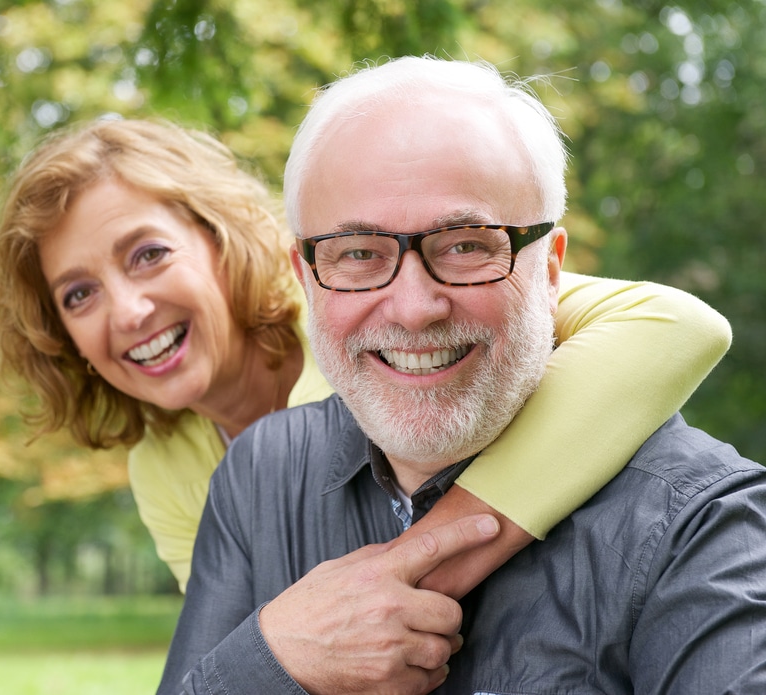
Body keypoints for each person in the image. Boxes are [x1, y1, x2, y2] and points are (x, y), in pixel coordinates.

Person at [157, 56, 766, 694]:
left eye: (467, 245)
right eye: (359, 254)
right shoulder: (263, 472)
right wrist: (273, 658)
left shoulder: (704, 528)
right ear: (307, 276)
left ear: (551, 270)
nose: (415, 309)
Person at [0, 117, 730, 597]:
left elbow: (678, 324)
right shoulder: (166, 469)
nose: (127, 311)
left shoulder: (369, 308)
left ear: (222, 239)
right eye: (78, 295)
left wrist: (445, 545)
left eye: (147, 254)